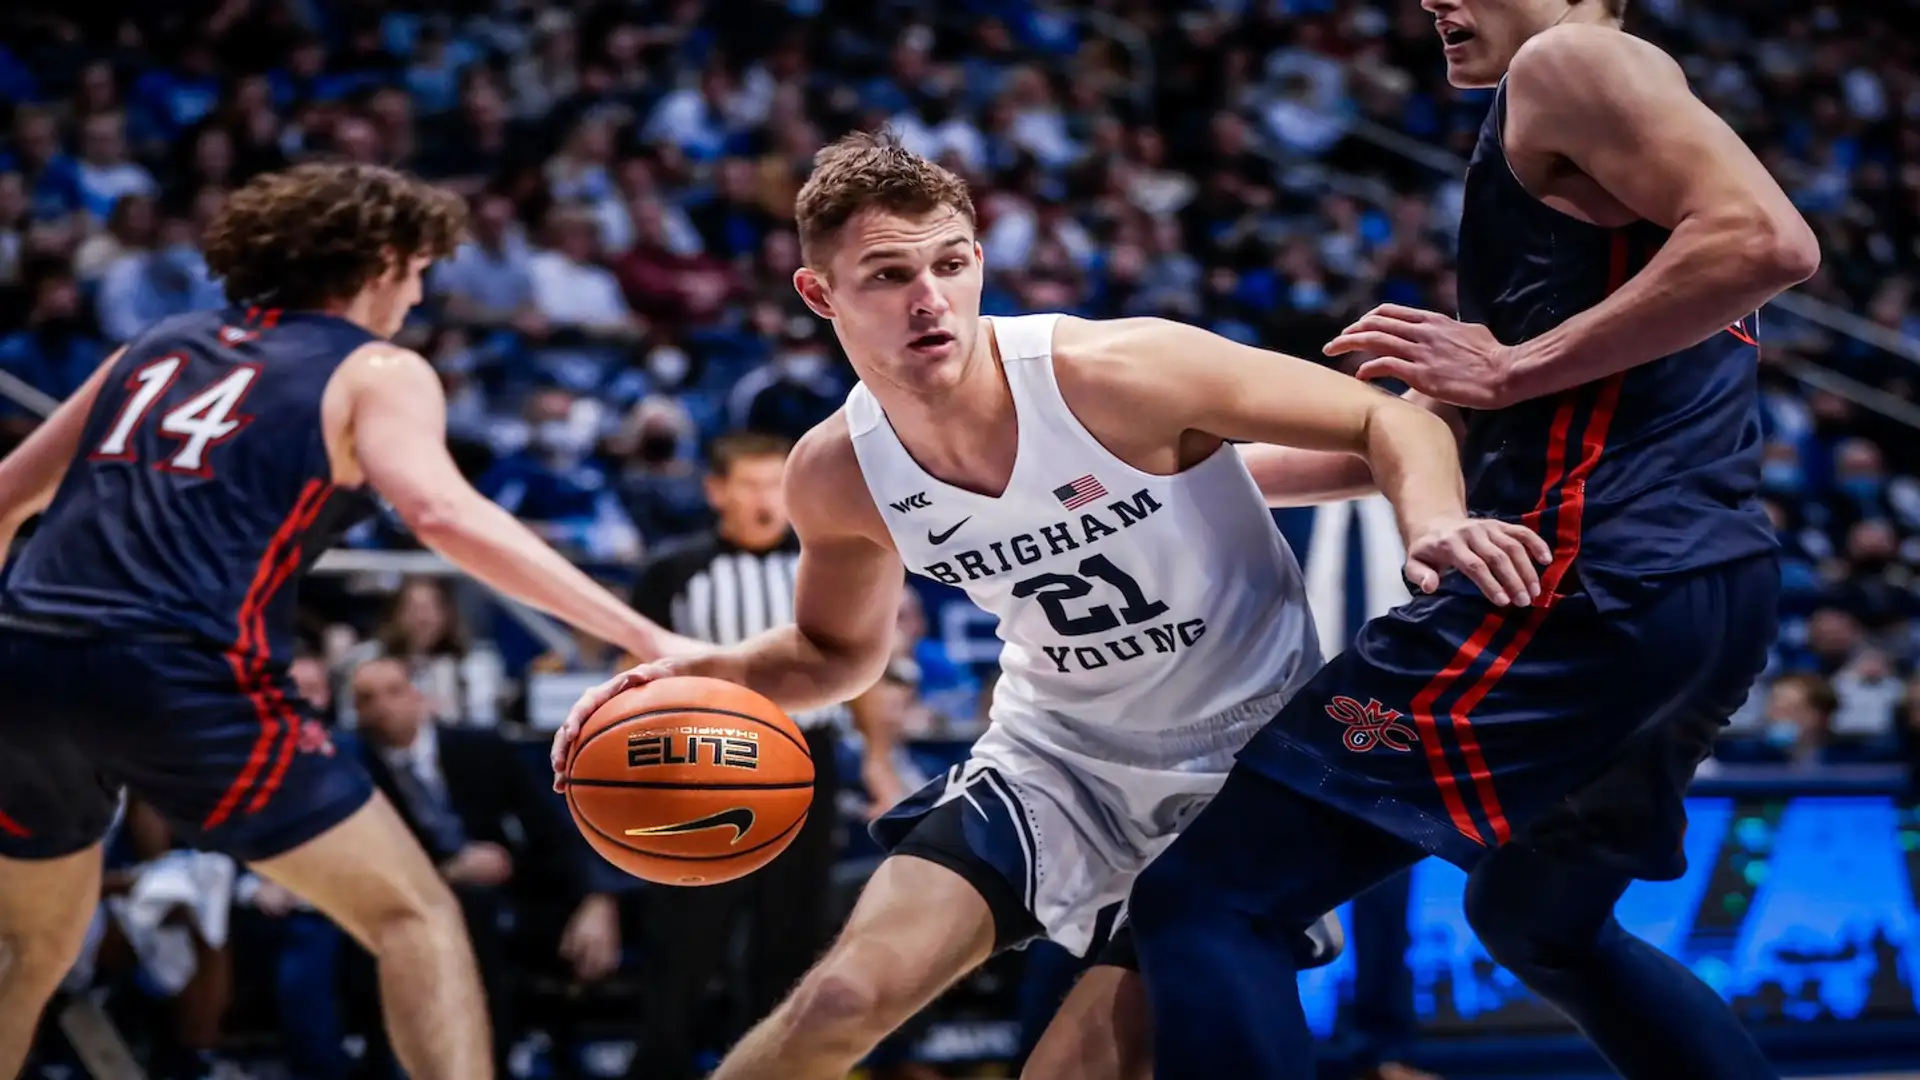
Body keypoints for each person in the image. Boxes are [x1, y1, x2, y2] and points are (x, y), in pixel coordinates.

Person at [552, 131, 1550, 1080]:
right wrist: (702, 673)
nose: (929, 299)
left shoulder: (1118, 370)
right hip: (1057, 757)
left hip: (1243, 769)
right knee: (838, 1000)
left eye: (950, 265)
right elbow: (833, 654)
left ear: (980, 261)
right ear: (820, 294)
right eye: (889, 276)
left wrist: (1430, 522)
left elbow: (1384, 420)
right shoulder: (836, 470)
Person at [1120, 1, 1821, 1077]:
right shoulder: (1621, 138)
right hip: (1706, 591)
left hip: (1581, 578)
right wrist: (1162, 485)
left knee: (1210, 899)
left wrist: (1510, 367)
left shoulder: (1570, 59)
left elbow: (1769, 242)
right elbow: (1448, 428)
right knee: (1541, 922)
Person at [0, 162, 687, 1080]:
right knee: (415, 915)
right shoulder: (376, 368)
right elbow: (440, 513)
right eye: (418, 271)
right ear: (380, 260)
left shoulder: (157, 345)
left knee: (27, 953)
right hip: (180, 673)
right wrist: (645, 635)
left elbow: (6, 499)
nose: (417, 296)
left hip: (26, 664)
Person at [619, 431, 851, 1080]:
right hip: (705, 764)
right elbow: (631, 672)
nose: (765, 498)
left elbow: (860, 675)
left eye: (776, 484)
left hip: (807, 759)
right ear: (716, 491)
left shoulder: (822, 566)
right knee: (687, 943)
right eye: (750, 484)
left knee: (793, 939)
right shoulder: (674, 570)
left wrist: (881, 762)